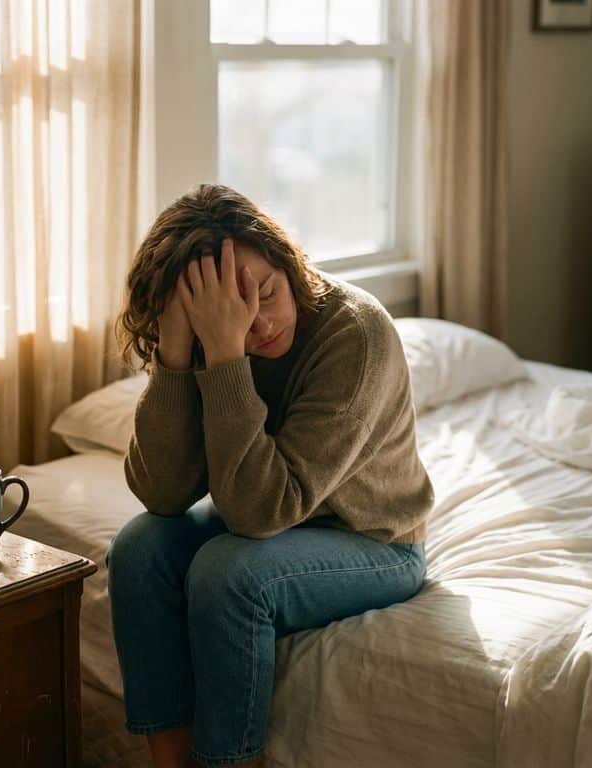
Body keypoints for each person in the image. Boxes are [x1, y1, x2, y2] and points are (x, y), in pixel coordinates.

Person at [108, 183, 434, 768]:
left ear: (290, 262)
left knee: (229, 574)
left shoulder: (354, 335)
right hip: (276, 515)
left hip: (373, 539)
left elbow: (259, 514)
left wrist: (227, 354)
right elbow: (162, 493)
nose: (259, 326)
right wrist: (177, 354)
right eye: (234, 313)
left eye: (267, 293)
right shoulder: (211, 334)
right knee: (138, 547)